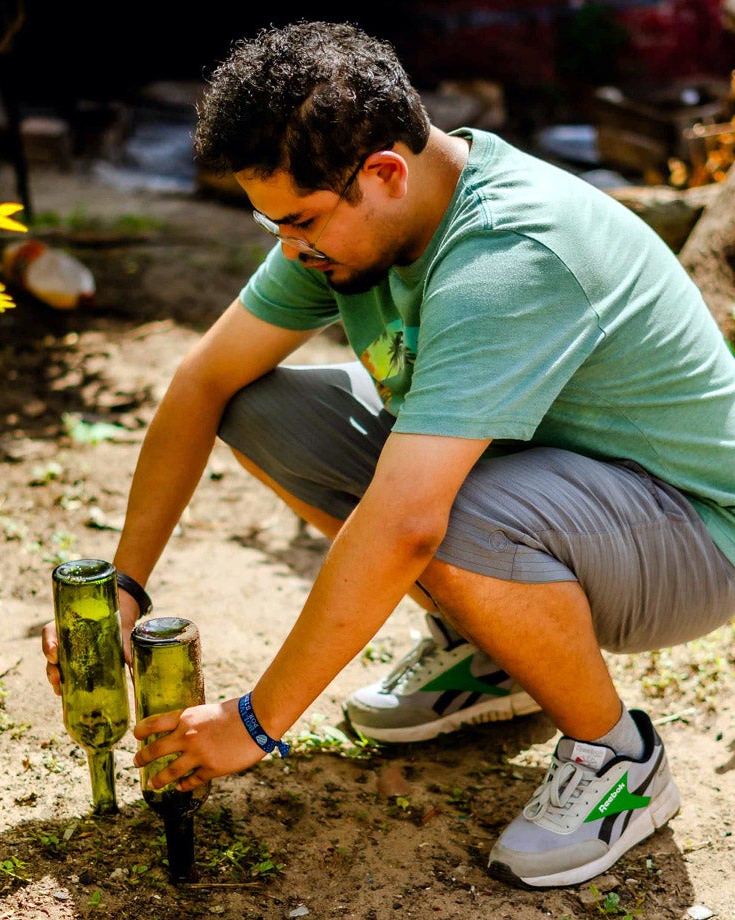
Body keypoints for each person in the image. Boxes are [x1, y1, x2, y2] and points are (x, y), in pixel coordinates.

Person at [42, 19, 735, 890]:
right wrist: (124, 587)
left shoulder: (509, 254)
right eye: (271, 223)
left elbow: (407, 523)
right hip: (561, 493)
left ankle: (619, 760)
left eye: (298, 222)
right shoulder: (353, 225)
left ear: (384, 172)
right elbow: (202, 381)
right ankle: (493, 648)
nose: (289, 249)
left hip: (695, 535)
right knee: (259, 404)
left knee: (434, 517)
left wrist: (256, 723)